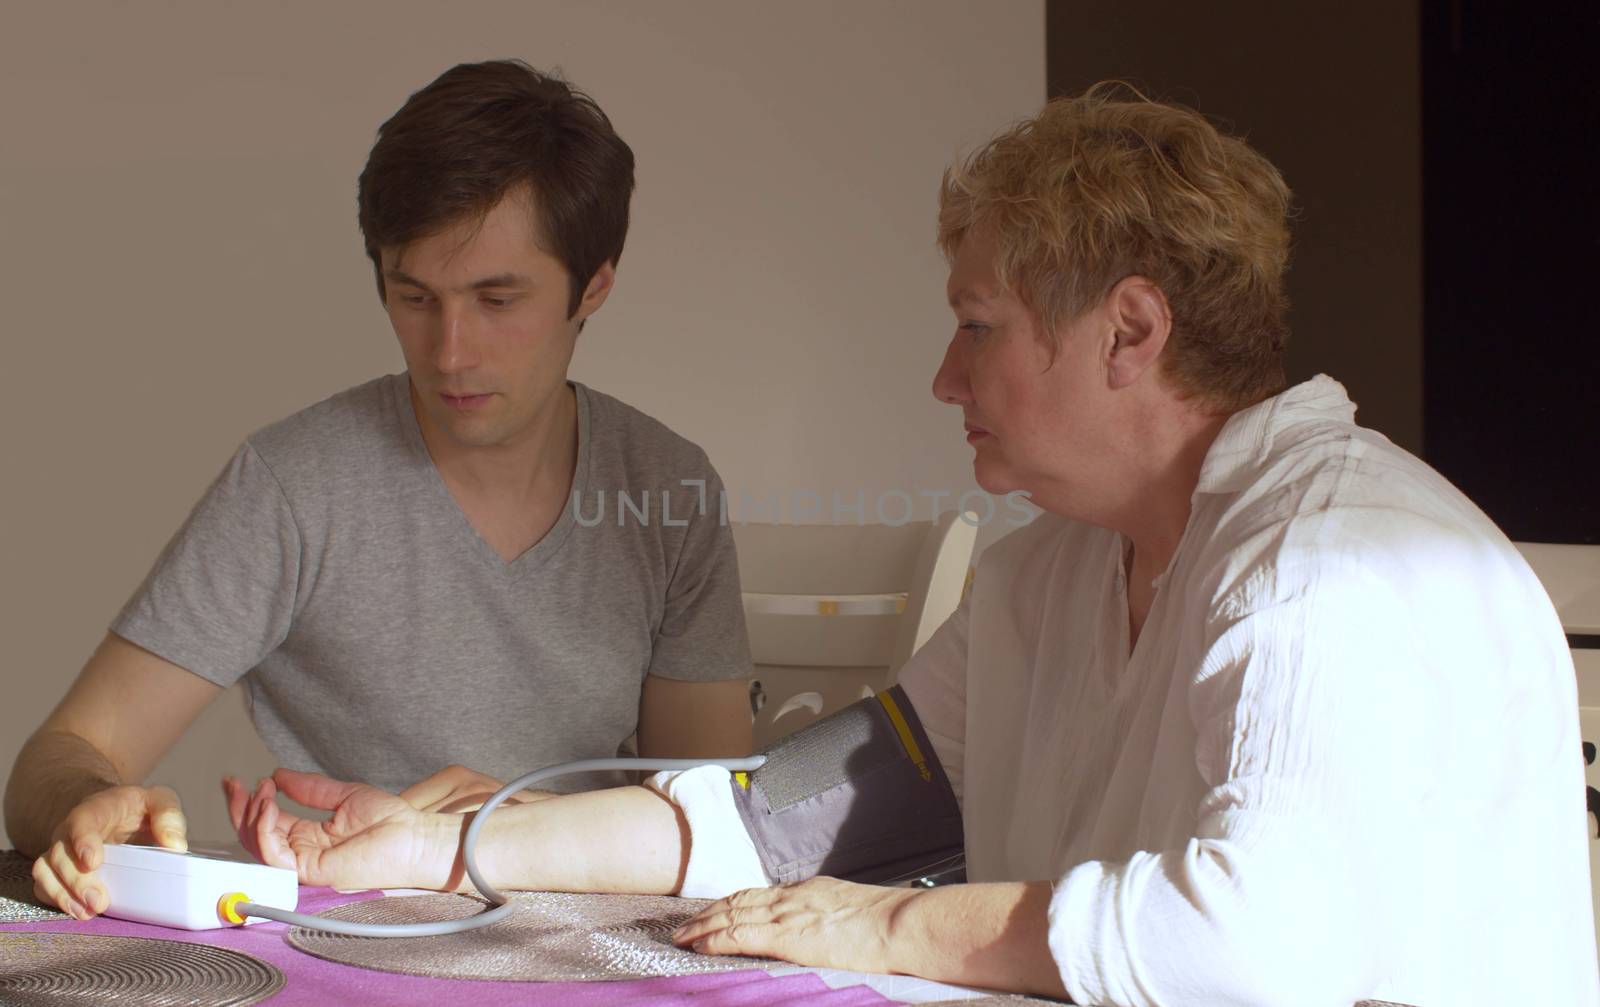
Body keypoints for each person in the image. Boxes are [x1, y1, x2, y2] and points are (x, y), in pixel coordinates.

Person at [222, 85, 1599, 1006]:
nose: (945, 376)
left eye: (980, 323)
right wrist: (447, 846)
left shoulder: (1336, 564)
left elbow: (1249, 941)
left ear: (1131, 329)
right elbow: (770, 818)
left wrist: (881, 923)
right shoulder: (1047, 576)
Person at [8, 60, 755, 922]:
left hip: (592, 936)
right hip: (351, 933)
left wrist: (509, 826)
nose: (449, 350)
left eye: (497, 298)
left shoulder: (669, 488)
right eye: (414, 296)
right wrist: (83, 808)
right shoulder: (295, 485)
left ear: (594, 286)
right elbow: (64, 751)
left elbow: (721, 819)